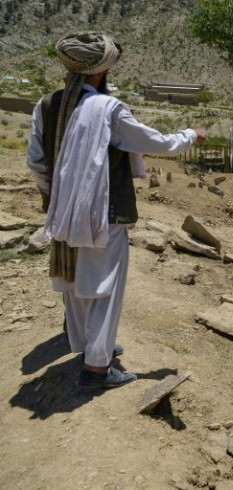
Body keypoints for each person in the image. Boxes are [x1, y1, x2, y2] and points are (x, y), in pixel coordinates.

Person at [27, 32, 206, 388]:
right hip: (102, 214)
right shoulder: (109, 110)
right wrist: (191, 134)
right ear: (100, 71)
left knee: (77, 282)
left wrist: (58, 200)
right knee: (105, 287)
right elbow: (157, 143)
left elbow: (36, 162)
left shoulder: (46, 105)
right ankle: (97, 368)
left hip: (63, 213)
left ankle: (92, 346)